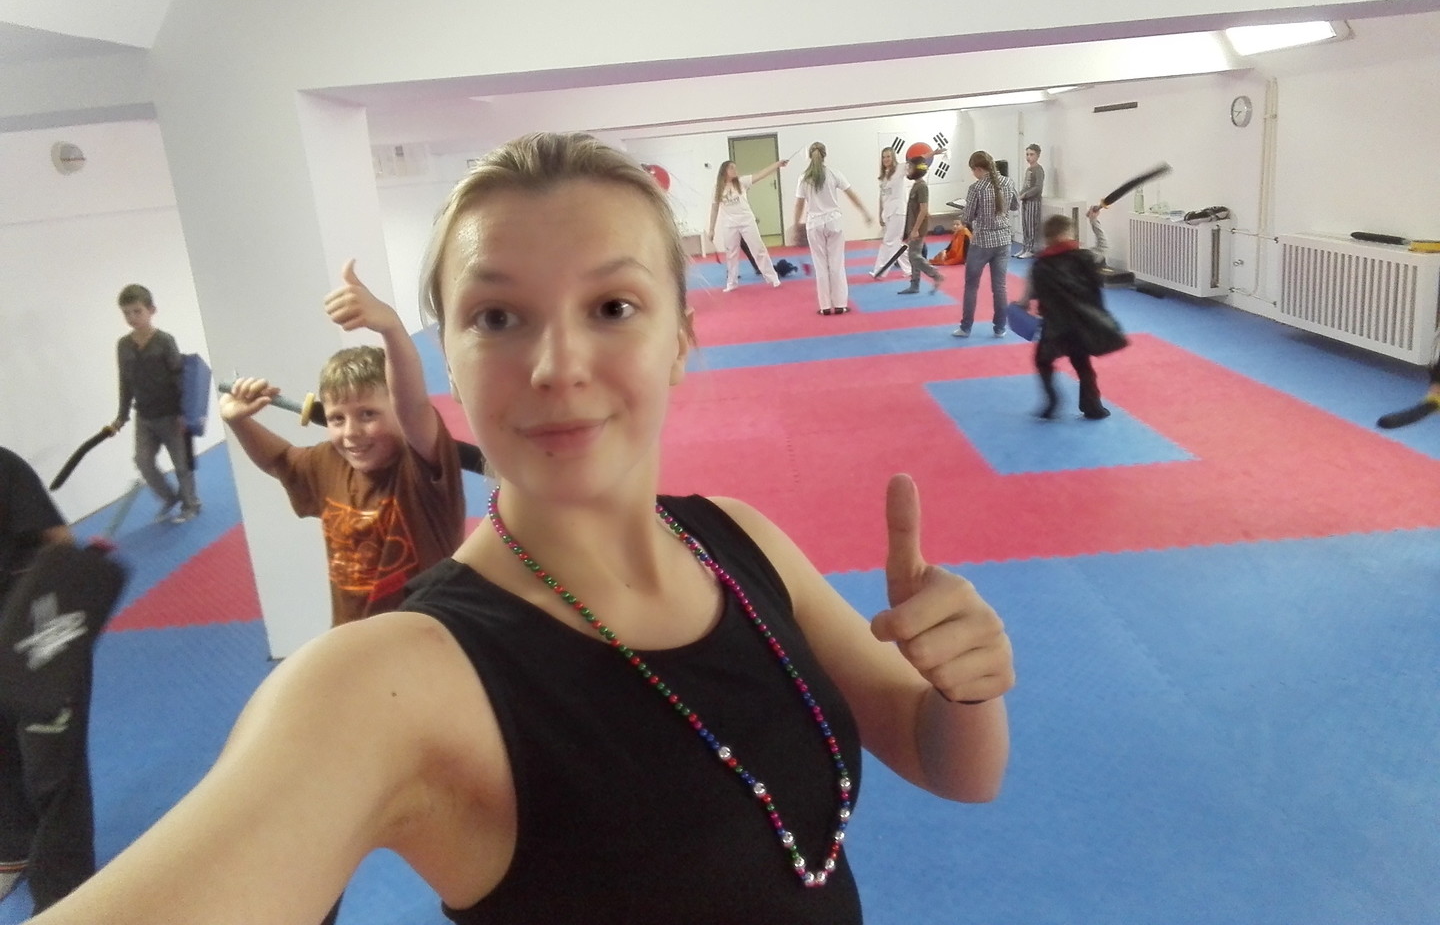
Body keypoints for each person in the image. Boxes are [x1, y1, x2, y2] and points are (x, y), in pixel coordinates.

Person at [33, 132, 1014, 925]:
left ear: (679, 340)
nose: (556, 365)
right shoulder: (389, 685)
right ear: (449, 360)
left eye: (613, 306)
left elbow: (950, 765)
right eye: (497, 317)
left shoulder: (739, 540)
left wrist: (968, 684)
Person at [220, 261, 466, 628]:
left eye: (367, 414)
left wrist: (391, 328)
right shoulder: (329, 463)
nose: (351, 433)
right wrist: (239, 421)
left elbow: (413, 405)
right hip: (350, 634)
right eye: (337, 418)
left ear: (397, 411)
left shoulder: (420, 468)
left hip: (425, 636)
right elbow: (279, 460)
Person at [0, 448, 94, 913]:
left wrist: (54, 629)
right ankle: (14, 849)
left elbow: (60, 542)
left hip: (38, 636)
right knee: (3, 755)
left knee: (52, 768)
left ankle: (64, 892)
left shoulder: (3, 467)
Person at [1015, 214, 1127, 420]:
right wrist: (1094, 221)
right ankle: (1092, 407)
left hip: (1054, 325)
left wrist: (1018, 307)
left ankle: (1052, 401)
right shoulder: (1085, 257)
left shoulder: (1039, 265)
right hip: (1081, 323)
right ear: (1068, 233)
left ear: (1048, 237)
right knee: (1083, 365)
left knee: (1043, 362)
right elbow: (1103, 246)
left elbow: (1026, 298)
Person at [109, 285, 201, 524]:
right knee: (142, 461)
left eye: (137, 311)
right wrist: (121, 415)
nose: (132, 318)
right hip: (144, 416)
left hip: (171, 414)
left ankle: (191, 504)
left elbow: (179, 376)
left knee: (182, 464)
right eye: (126, 313)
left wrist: (184, 412)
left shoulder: (164, 341)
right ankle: (169, 497)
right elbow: (125, 381)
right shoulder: (123, 345)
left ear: (151, 310)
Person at [791, 142, 875, 315]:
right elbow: (851, 195)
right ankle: (840, 304)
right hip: (834, 222)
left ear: (810, 156)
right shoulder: (834, 174)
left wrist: (795, 224)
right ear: (825, 155)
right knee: (836, 264)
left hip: (814, 223)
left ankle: (824, 307)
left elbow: (799, 204)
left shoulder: (804, 178)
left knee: (820, 266)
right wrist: (864, 212)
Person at [953, 151, 1019, 338]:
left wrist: (967, 211)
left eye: (973, 170)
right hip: (1003, 240)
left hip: (982, 242)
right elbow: (1015, 206)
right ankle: (1000, 328)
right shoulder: (1008, 182)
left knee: (971, 285)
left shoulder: (976, 188)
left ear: (978, 169)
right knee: (1000, 286)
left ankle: (966, 327)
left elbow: (967, 217)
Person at [707, 158, 786, 292]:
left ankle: (773, 277)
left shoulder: (742, 182)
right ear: (724, 171)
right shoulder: (717, 189)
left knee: (758, 249)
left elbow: (760, 174)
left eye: (735, 167)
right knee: (731, 253)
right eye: (731, 168)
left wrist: (777, 165)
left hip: (747, 221)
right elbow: (714, 209)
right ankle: (732, 282)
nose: (735, 170)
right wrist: (711, 229)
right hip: (729, 224)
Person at [896, 148, 945, 296]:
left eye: (910, 168)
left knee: (914, 256)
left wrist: (915, 229)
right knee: (913, 255)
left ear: (917, 170)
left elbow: (923, 209)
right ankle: (915, 284)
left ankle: (935, 274)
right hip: (913, 226)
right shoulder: (916, 185)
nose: (908, 170)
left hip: (917, 228)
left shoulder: (922, 186)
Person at [870, 146, 911, 281]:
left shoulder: (900, 169)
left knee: (888, 241)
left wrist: (932, 153)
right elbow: (881, 197)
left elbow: (916, 161)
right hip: (888, 213)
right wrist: (880, 213)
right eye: (884, 157)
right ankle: (910, 269)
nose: (886, 159)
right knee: (896, 242)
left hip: (898, 211)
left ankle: (880, 270)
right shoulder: (883, 177)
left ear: (893, 157)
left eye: (888, 156)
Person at [1015, 144, 1045, 259]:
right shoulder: (1029, 170)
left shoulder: (1039, 170)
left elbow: (1038, 187)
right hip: (1026, 201)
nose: (1029, 157)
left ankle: (1031, 249)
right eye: (1027, 154)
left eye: (1031, 154)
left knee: (1031, 226)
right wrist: (1019, 194)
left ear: (1037, 155)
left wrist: (1026, 194)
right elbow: (1026, 185)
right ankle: (1025, 247)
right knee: (1025, 225)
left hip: (1033, 201)